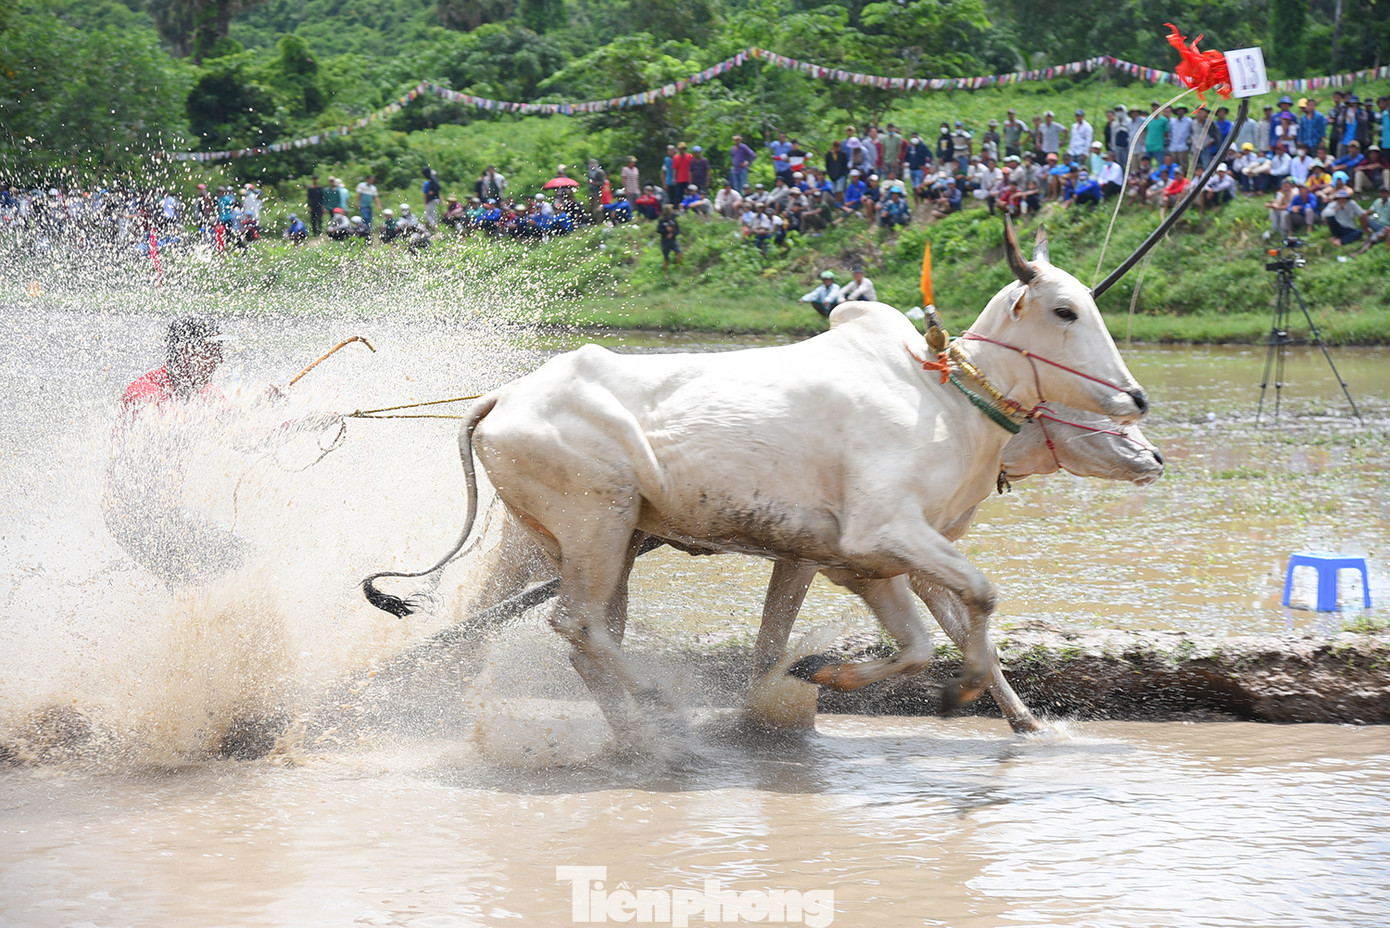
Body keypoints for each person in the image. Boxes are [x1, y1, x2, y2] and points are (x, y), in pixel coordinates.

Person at [103, 316, 248, 588]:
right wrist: (252, 403)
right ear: (187, 352)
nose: (220, 361)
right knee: (206, 571)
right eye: (212, 351)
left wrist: (305, 423)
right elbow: (177, 420)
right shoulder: (143, 392)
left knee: (236, 558)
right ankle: (191, 623)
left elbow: (245, 437)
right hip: (131, 518)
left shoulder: (207, 394)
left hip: (169, 514)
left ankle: (192, 624)